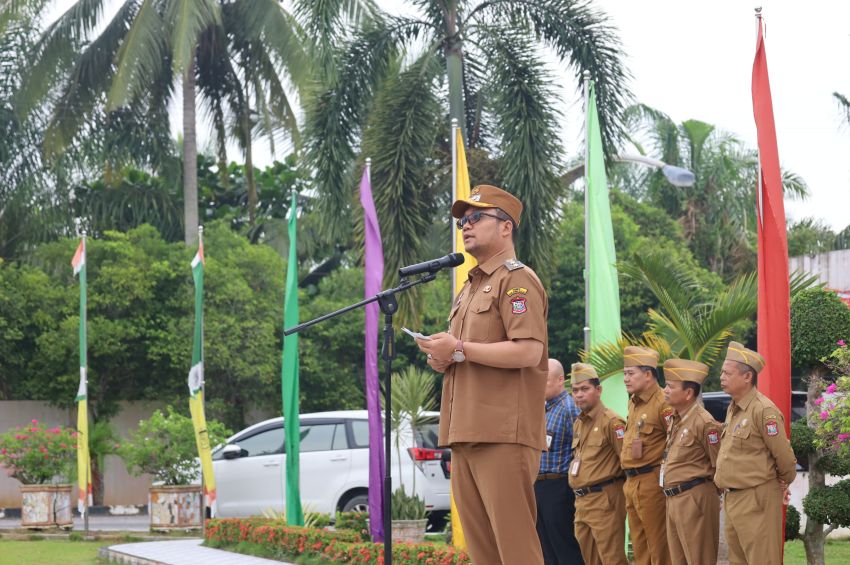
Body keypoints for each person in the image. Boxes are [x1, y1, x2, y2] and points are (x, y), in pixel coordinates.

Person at [416, 184, 548, 565]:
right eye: (462, 221)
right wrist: (444, 358)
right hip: (465, 432)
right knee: (483, 554)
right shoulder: (469, 288)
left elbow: (529, 351)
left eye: (476, 217)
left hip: (502, 435)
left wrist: (458, 349)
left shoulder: (517, 280)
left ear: (506, 227)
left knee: (516, 551)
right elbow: (469, 354)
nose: (466, 226)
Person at [714, 341, 797, 565]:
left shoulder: (763, 410)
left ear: (747, 377)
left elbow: (784, 457)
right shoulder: (734, 408)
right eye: (722, 372)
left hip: (757, 498)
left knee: (762, 560)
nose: (721, 377)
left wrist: (783, 482)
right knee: (738, 560)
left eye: (727, 373)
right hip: (733, 498)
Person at [660, 358, 722, 565]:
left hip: (694, 498)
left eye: (670, 386)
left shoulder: (705, 422)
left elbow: (719, 464)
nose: (665, 390)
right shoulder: (675, 419)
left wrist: (714, 497)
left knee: (699, 559)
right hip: (673, 498)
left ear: (688, 393)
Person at [568, 362, 628, 565]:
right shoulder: (579, 423)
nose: (579, 394)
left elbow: (626, 462)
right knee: (590, 559)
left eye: (585, 389)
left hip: (605, 498)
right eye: (575, 390)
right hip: (581, 501)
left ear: (599, 390)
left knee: (612, 559)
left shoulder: (612, 422)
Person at [620, 346, 673, 565]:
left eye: (630, 373)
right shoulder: (633, 402)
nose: (625, 379)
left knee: (659, 547)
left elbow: (674, 444)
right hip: (632, 482)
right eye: (625, 373)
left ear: (648, 374)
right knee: (640, 547)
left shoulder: (663, 403)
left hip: (652, 482)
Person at [535, 358, 584, 565]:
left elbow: (581, 449)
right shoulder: (543, 408)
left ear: (560, 380)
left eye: (545, 380)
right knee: (545, 547)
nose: (540, 385)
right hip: (539, 485)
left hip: (559, 486)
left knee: (563, 545)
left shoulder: (569, 408)